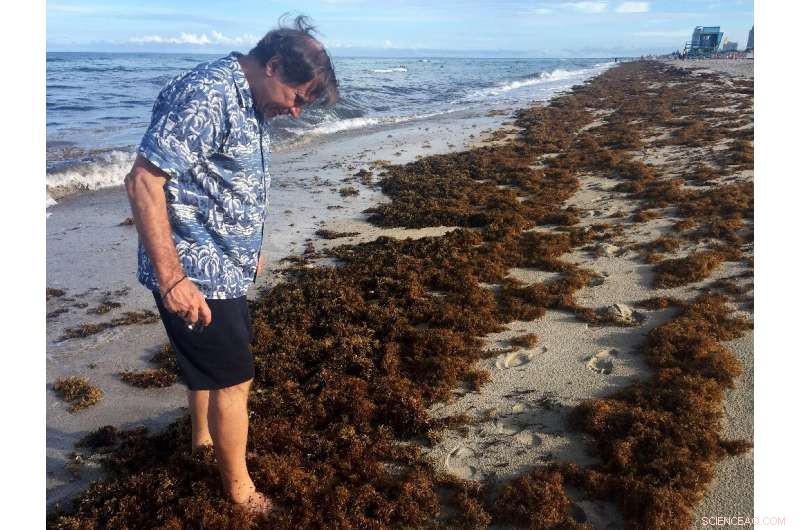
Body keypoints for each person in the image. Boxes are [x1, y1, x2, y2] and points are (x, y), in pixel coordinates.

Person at [124, 15, 338, 517]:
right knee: (234, 380)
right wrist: (173, 279)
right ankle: (240, 493)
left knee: (210, 370)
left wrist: (248, 245)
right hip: (196, 270)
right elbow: (142, 181)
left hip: (225, 261)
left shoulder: (250, 96)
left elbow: (219, 181)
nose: (296, 111)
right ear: (274, 64)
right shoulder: (208, 94)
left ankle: (201, 442)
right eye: (297, 97)